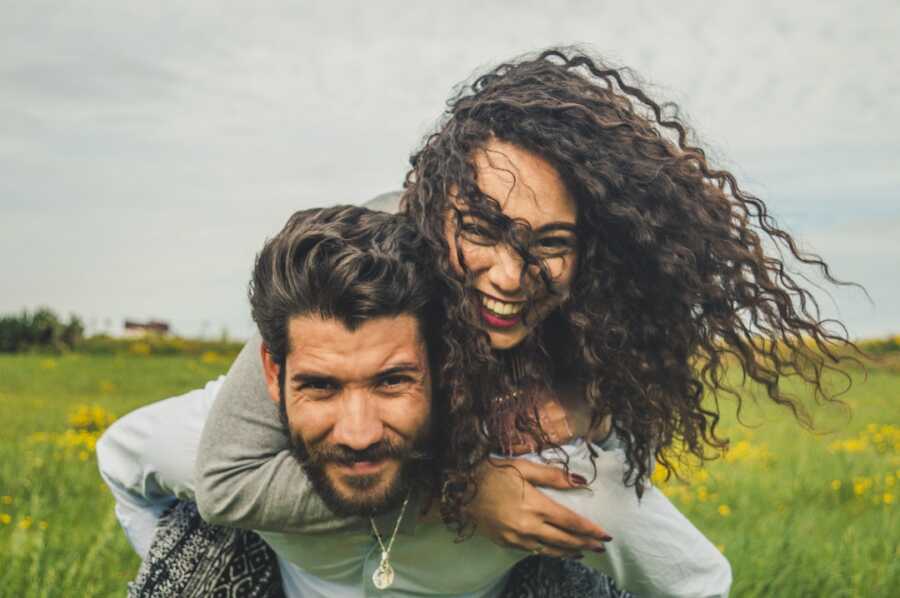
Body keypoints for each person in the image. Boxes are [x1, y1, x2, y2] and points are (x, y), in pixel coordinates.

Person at [192, 47, 855, 594]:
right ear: (431, 207)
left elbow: (612, 464)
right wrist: (459, 490)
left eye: (552, 242)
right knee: (152, 447)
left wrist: (580, 413)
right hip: (337, 505)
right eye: (483, 229)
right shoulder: (370, 270)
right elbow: (225, 480)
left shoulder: (594, 315)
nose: (510, 277)